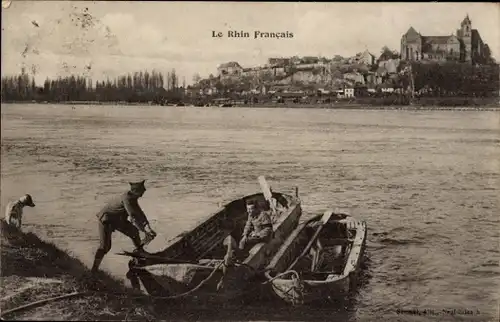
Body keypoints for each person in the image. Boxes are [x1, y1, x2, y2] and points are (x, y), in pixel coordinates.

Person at [91, 179, 157, 274]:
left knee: (134, 232)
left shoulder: (133, 198)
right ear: (135, 191)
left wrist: (148, 227)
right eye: (142, 191)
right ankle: (94, 270)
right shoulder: (127, 199)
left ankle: (139, 252)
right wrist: (145, 231)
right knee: (105, 247)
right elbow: (133, 216)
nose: (143, 193)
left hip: (118, 219)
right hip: (106, 219)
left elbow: (140, 214)